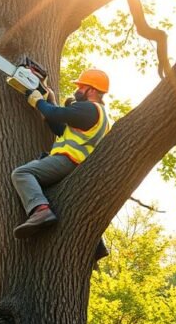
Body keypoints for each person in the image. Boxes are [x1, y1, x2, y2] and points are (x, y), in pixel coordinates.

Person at [11, 69, 113, 257]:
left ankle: (40, 211)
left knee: (22, 174)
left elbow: (56, 113)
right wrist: (48, 98)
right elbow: (59, 127)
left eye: (81, 86)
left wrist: (37, 100)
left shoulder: (90, 108)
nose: (78, 89)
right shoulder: (100, 117)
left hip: (69, 161)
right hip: (82, 171)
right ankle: (97, 243)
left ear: (92, 90)